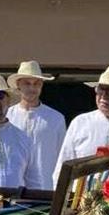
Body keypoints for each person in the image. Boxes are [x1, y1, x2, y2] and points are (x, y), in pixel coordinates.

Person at [6, 61, 66, 189]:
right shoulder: (7, 116)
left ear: (42, 85)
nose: (32, 88)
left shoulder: (56, 119)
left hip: (45, 187)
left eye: (36, 83)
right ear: (18, 85)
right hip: (12, 187)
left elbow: (63, 156)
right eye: (27, 83)